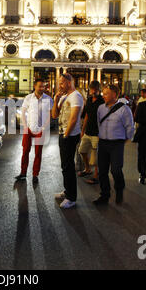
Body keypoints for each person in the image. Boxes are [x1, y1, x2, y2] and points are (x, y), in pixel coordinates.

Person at [93, 84, 135, 205]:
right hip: (103, 143)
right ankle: (104, 195)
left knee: (116, 170)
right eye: (103, 93)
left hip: (117, 144)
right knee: (102, 171)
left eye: (106, 93)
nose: (103, 95)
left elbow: (130, 127)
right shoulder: (101, 108)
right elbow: (98, 123)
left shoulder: (124, 109)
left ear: (115, 95)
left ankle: (119, 189)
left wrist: (125, 140)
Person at [52, 73, 84, 209]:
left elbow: (74, 118)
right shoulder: (64, 97)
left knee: (68, 166)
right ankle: (67, 191)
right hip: (63, 134)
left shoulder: (76, 96)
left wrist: (66, 134)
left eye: (62, 83)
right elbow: (54, 115)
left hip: (69, 136)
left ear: (70, 82)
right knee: (65, 165)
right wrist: (55, 100)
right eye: (60, 83)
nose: (60, 85)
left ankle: (71, 198)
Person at [15, 79, 53, 183]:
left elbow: (50, 115)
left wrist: (44, 127)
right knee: (25, 151)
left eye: (43, 86)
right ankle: (23, 173)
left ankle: (35, 174)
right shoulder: (28, 98)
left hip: (40, 129)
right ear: (35, 86)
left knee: (38, 153)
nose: (42, 88)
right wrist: (25, 126)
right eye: (40, 86)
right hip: (29, 128)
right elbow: (23, 112)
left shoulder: (48, 99)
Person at [78, 81, 105, 185]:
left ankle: (96, 175)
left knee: (96, 156)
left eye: (95, 89)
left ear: (99, 89)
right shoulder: (89, 100)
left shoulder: (102, 101)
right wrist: (82, 130)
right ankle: (87, 169)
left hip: (97, 133)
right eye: (92, 89)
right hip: (88, 132)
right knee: (82, 151)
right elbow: (87, 116)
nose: (93, 91)